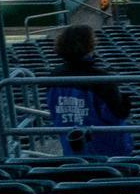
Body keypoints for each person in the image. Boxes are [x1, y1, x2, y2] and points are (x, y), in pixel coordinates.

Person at [44, 25, 133, 156]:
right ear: (89, 46)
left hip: (72, 148)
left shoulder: (53, 77)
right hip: (107, 149)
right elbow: (115, 115)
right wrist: (126, 102)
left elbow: (53, 111)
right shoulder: (101, 78)